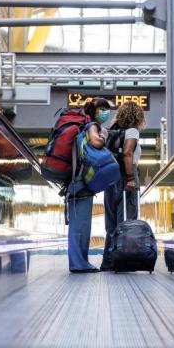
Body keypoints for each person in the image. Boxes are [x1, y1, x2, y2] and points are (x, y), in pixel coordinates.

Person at [66, 98, 112, 273]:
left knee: (79, 225)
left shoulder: (84, 126)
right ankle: (79, 263)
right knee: (81, 226)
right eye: (103, 109)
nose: (106, 113)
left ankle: (79, 262)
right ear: (95, 111)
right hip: (81, 184)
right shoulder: (91, 126)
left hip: (76, 182)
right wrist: (103, 135)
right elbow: (96, 142)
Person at [99, 101, 145, 270]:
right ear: (137, 116)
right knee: (127, 221)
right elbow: (127, 153)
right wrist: (131, 177)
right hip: (126, 177)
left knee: (111, 223)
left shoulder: (109, 133)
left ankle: (108, 261)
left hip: (109, 178)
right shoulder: (132, 131)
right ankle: (122, 260)